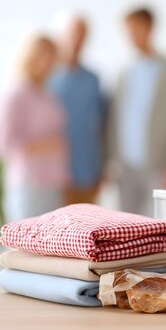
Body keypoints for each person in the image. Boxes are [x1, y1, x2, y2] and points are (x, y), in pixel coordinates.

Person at [109, 7, 166, 216]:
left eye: (135, 29)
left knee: (158, 221)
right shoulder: (124, 72)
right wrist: (112, 160)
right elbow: (113, 120)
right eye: (127, 31)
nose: (130, 36)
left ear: (149, 28)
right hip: (126, 167)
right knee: (126, 223)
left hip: (159, 166)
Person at [0, 35, 69, 222]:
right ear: (31, 56)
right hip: (29, 183)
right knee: (26, 247)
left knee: (51, 248)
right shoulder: (16, 93)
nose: (49, 62)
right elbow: (2, 143)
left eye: (53, 57)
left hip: (53, 183)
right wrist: (45, 146)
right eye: (45, 56)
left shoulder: (46, 93)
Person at [48, 14, 106, 205]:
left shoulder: (93, 80)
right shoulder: (47, 78)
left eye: (82, 36)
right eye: (72, 34)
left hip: (86, 173)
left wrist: (102, 170)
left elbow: (101, 128)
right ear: (61, 36)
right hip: (53, 174)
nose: (76, 41)